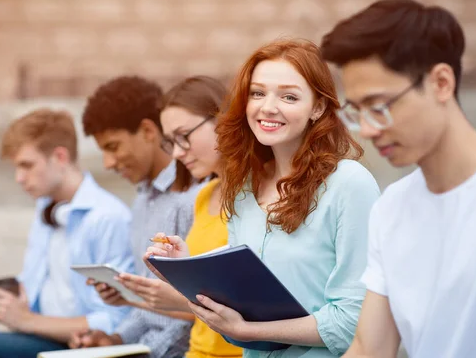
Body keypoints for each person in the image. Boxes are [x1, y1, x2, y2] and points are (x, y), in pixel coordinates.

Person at [150, 39, 380, 357]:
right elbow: (242, 301)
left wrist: (249, 331)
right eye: (257, 93)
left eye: (289, 96)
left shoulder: (349, 185)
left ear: (318, 107)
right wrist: (190, 271)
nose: (267, 107)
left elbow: (352, 323)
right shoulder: (244, 189)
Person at [320, 0, 476, 358]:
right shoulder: (390, 208)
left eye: (378, 107)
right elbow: (369, 348)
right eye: (356, 111)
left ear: (441, 82)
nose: (366, 129)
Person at [0, 109, 134, 358]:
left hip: (78, 349)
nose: (19, 178)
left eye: (27, 166)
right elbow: (25, 313)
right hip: (38, 338)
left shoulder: (108, 217)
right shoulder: (46, 207)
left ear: (60, 157)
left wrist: (27, 321)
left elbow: (118, 320)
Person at [68, 76, 203, 358]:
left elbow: (194, 315)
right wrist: (115, 340)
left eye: (113, 147)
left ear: (147, 130)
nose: (108, 163)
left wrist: (138, 353)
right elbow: (150, 311)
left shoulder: (193, 198)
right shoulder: (142, 200)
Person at [117, 75, 243, 358]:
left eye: (184, 136)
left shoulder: (260, 196)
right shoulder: (203, 197)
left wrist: (179, 297)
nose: (177, 153)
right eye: (171, 142)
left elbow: (254, 301)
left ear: (223, 121)